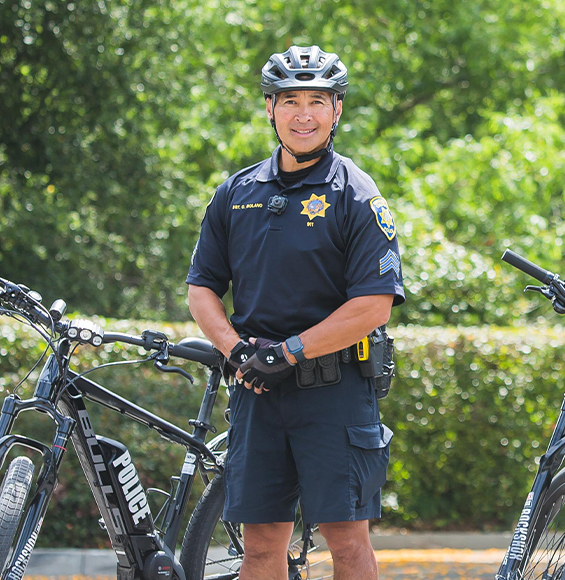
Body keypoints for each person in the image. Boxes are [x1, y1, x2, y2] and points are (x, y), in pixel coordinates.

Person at [186, 45, 404, 580]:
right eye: (289, 101)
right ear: (269, 108)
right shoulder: (236, 192)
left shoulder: (355, 194)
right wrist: (237, 351)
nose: (302, 114)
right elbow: (201, 289)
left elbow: (374, 305)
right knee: (260, 547)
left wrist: (291, 351)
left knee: (347, 543)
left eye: (316, 101)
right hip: (257, 390)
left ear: (336, 111)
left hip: (334, 391)